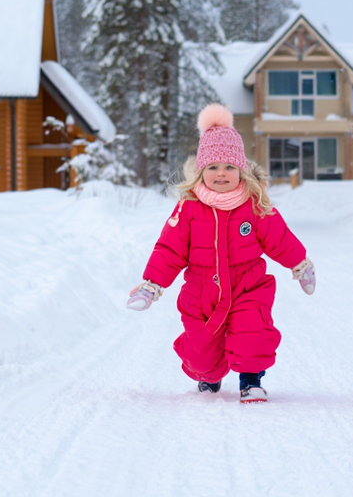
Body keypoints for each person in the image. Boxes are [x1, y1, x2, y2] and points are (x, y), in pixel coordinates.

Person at [127, 104, 315, 403]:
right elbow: (170, 248)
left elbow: (279, 238)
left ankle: (251, 380)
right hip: (201, 291)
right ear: (201, 170)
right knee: (201, 356)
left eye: (229, 167)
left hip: (248, 286)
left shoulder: (253, 204)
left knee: (252, 335)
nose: (221, 173)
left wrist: (301, 265)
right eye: (213, 167)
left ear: (241, 170)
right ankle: (209, 377)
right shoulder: (188, 207)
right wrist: (152, 285)